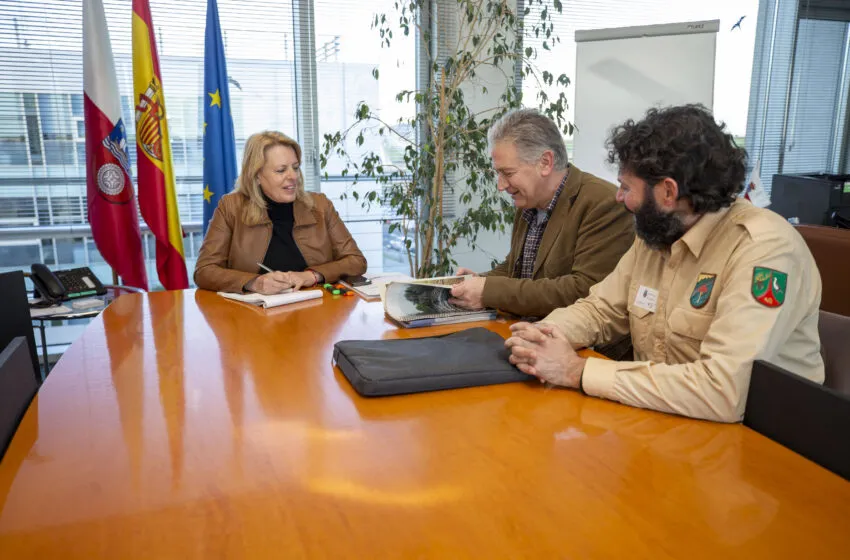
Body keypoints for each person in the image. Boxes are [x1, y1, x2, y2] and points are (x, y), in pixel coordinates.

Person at [506, 104, 824, 423]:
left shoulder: (763, 250)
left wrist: (577, 371)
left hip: (764, 441)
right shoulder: (659, 232)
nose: (619, 197)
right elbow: (600, 309)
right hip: (666, 420)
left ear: (668, 192)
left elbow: (722, 390)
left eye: (626, 187)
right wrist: (541, 336)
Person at [449, 108, 634, 320]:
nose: (500, 186)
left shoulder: (603, 202)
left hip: (588, 348)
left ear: (545, 163)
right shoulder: (529, 201)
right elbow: (515, 269)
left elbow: (585, 290)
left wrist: (489, 290)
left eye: (508, 173)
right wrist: (477, 283)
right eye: (498, 173)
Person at [194, 131, 367, 294]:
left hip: (315, 312)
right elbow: (204, 271)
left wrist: (312, 275)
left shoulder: (320, 205)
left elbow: (355, 260)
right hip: (254, 317)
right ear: (256, 176)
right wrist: (254, 282)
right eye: (281, 170)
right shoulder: (230, 207)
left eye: (296, 167)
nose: (293, 176)